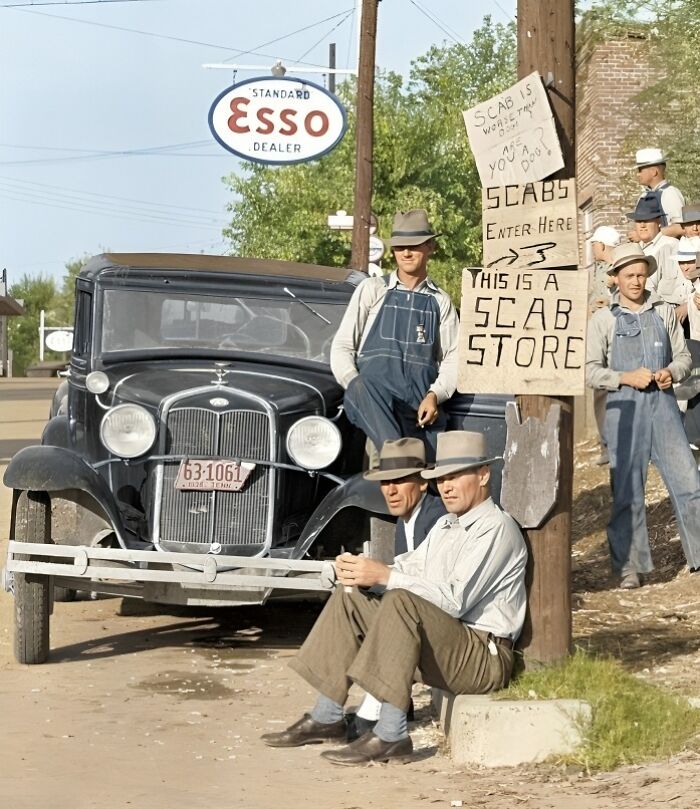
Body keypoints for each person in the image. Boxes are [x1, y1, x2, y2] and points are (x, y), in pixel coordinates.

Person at [261, 430, 527, 766]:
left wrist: (385, 577)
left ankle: (392, 733)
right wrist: (357, 571)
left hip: (484, 656)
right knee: (353, 598)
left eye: (455, 477)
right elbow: (407, 566)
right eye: (441, 478)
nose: (445, 486)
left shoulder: (496, 528)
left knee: (400, 600)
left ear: (484, 474)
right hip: (452, 643)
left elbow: (454, 601)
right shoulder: (448, 525)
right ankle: (327, 716)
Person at [586, 243, 700, 589]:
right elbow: (589, 371)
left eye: (641, 274)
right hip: (624, 409)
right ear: (616, 278)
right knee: (627, 490)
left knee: (689, 483)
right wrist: (623, 377)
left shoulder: (664, 312)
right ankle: (629, 568)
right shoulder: (603, 320)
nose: (636, 281)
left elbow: (684, 357)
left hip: (663, 406)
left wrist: (672, 372)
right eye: (629, 275)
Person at [330, 209, 459, 460]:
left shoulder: (440, 302)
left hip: (419, 419)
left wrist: (435, 395)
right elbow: (343, 347)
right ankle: (397, 455)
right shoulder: (373, 289)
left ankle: (402, 457)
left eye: (414, 245)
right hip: (379, 421)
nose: (406, 253)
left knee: (423, 488)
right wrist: (358, 388)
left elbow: (453, 358)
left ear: (431, 246)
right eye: (400, 247)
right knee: (389, 485)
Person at [347, 437, 447, 740]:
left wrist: (382, 576)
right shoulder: (405, 519)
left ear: (421, 483)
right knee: (352, 600)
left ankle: (377, 703)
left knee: (395, 606)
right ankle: (361, 700)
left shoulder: (437, 517)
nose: (390, 490)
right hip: (416, 613)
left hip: (444, 621)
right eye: (385, 482)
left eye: (399, 481)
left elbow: (434, 589)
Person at [629, 194, 690, 332]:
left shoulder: (671, 245)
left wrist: (687, 306)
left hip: (672, 316)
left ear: (658, 221)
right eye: (639, 221)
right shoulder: (634, 250)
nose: (642, 225)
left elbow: (688, 281)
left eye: (647, 220)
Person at [589, 226, 622, 465]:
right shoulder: (598, 269)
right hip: (599, 337)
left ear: (601, 245)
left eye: (593, 244)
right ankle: (607, 445)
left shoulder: (623, 265)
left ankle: (620, 443)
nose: (592, 249)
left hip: (620, 335)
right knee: (601, 390)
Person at [632, 148, 685, 238]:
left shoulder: (670, 193)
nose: (638, 174)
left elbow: (681, 227)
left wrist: (647, 235)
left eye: (641, 170)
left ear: (654, 172)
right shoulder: (643, 195)